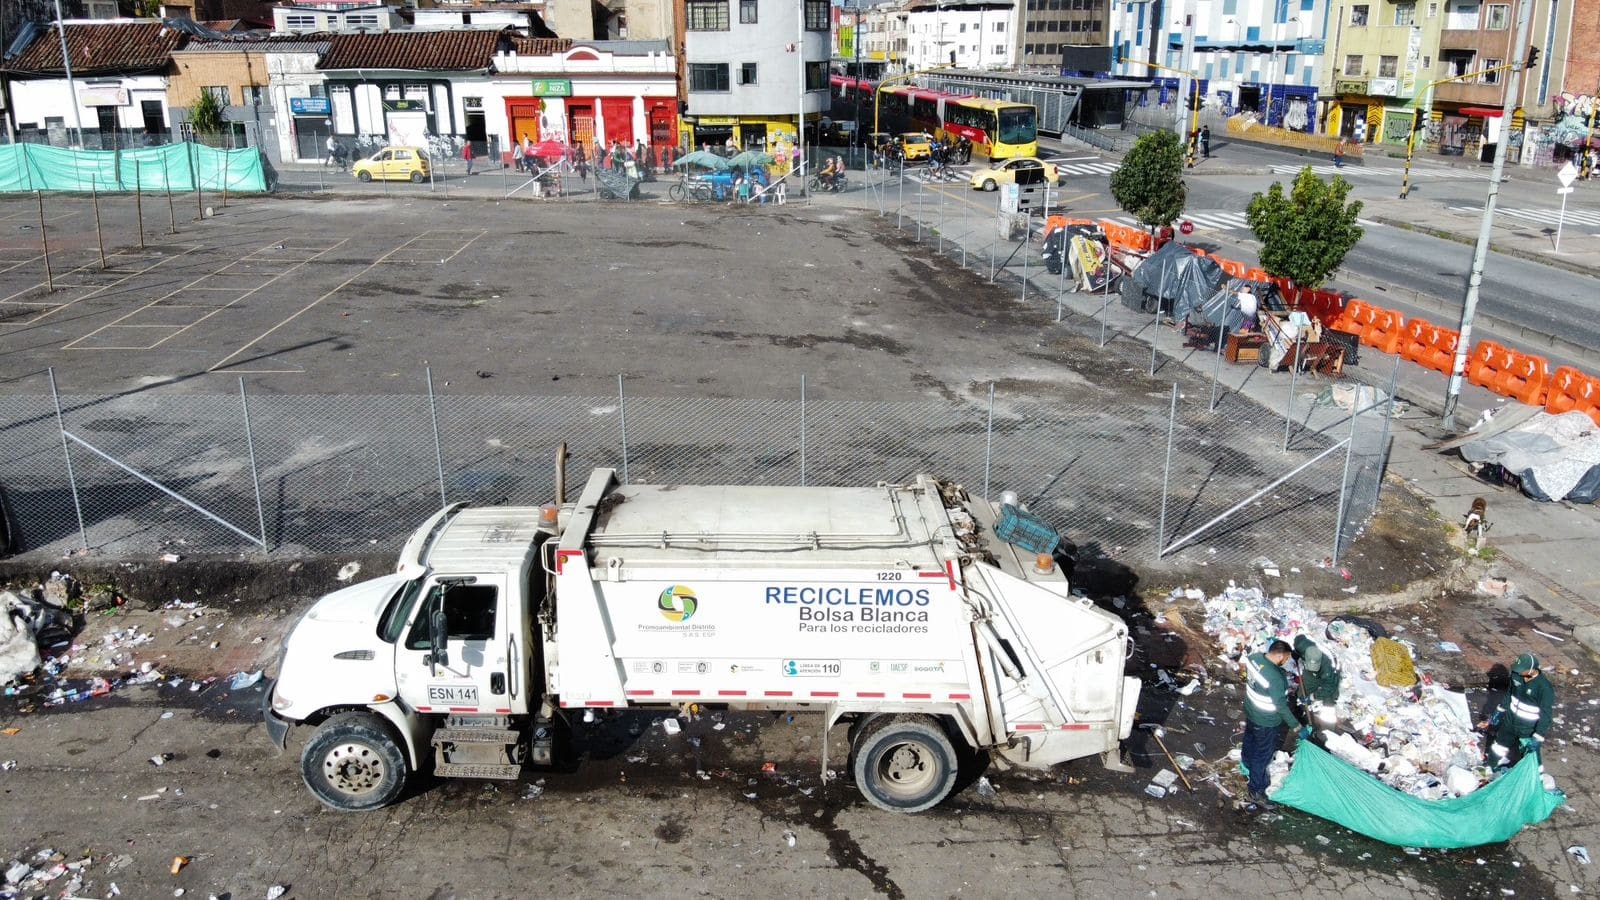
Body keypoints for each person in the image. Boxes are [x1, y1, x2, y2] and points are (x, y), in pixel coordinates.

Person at [1242, 640, 1300, 808]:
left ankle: (1247, 764)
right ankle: (1256, 791)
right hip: (1266, 721)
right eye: (1287, 658)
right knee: (1262, 755)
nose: (1287, 661)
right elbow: (1281, 706)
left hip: (1251, 711)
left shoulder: (1254, 658)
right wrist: (1295, 725)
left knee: (1249, 741)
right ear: (1280, 655)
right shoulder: (1276, 678)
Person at [1481, 653, 1555, 769]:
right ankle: (1490, 767)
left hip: (1528, 727)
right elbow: (1509, 694)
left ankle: (1535, 777)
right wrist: (1500, 711)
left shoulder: (1544, 688)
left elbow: (1546, 715)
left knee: (1530, 755)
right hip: (1510, 721)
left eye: (1522, 670)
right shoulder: (1516, 676)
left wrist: (1538, 735)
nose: (1518, 672)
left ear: (1532, 670)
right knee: (1499, 745)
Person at [1293, 633, 1341, 736]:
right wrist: (1296, 653)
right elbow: (1298, 640)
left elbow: (1330, 687)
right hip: (1311, 672)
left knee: (1329, 701)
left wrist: (1313, 696)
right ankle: (1305, 717)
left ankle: (1328, 733)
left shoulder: (1329, 666)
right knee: (1302, 693)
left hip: (1329, 676)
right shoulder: (1303, 645)